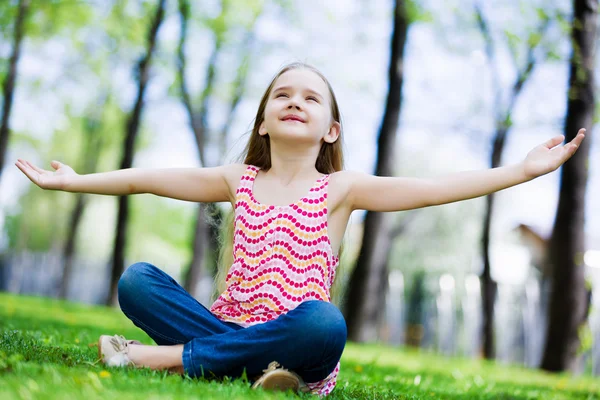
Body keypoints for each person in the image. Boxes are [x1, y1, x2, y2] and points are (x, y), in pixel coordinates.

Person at [15, 62, 586, 396]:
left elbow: (438, 188)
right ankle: (243, 364)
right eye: (281, 95)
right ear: (264, 120)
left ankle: (161, 358)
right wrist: (76, 181)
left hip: (300, 345)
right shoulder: (237, 178)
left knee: (322, 322)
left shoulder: (341, 189)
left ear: (331, 129)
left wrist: (521, 171)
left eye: (310, 97)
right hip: (227, 325)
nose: (294, 102)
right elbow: (150, 179)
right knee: (138, 278)